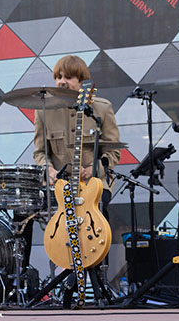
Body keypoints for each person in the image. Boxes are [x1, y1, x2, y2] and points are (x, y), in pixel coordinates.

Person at [32, 54, 120, 207]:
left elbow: (113, 152)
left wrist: (92, 170)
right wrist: (49, 170)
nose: (62, 82)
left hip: (94, 184)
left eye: (68, 77)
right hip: (59, 187)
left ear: (82, 81)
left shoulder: (103, 108)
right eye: (58, 77)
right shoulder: (43, 111)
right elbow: (40, 152)